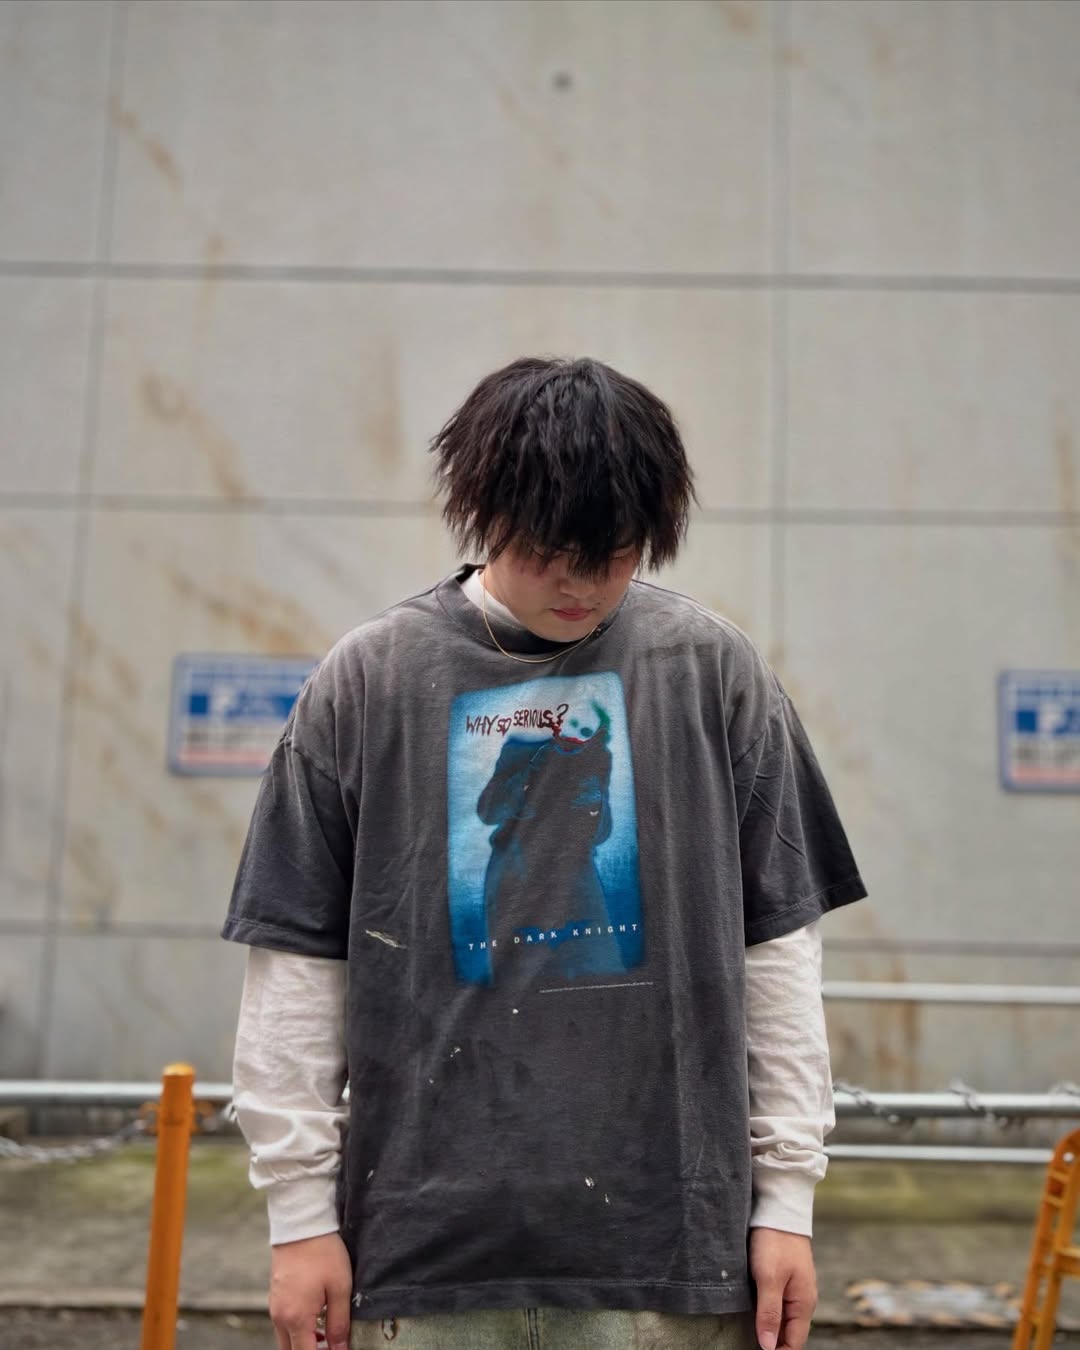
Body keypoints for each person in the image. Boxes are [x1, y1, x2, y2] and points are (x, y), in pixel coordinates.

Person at [224, 356, 867, 1350]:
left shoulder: (712, 674)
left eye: (612, 554)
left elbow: (777, 950)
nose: (579, 583)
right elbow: (299, 963)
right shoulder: (371, 681)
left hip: (671, 1250)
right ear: (485, 513)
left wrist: (786, 1200)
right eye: (548, 551)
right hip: (428, 1250)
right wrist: (299, 1220)